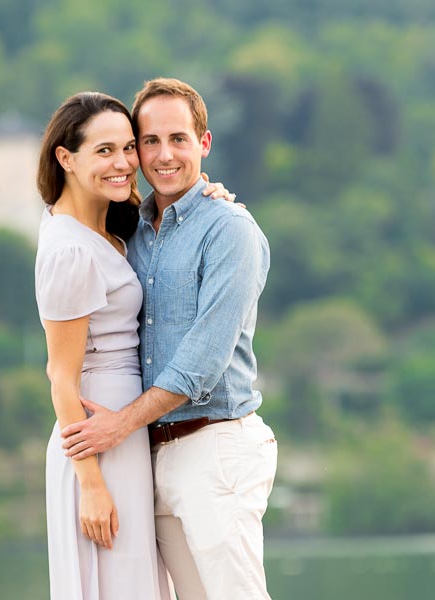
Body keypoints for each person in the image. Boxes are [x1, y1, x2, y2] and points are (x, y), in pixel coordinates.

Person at [60, 78, 277, 600]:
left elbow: (202, 361)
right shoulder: (130, 229)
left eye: (178, 139)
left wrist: (119, 426)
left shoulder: (230, 230)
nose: (163, 155)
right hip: (152, 457)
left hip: (215, 447)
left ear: (204, 144)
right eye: (149, 141)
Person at [34, 91, 234, 600]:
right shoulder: (71, 250)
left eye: (128, 148)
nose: (124, 163)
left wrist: (200, 195)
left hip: (125, 434)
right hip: (97, 440)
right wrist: (91, 484)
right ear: (65, 157)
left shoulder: (109, 228)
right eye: (104, 151)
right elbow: (61, 375)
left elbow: (163, 220)